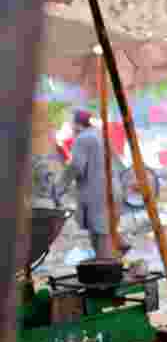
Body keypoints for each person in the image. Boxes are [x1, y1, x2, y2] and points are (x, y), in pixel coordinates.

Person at [67, 109, 121, 259]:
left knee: (100, 235)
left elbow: (76, 167)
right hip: (112, 189)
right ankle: (116, 252)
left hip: (97, 194)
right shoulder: (100, 135)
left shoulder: (83, 138)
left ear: (77, 124)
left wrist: (59, 187)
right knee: (105, 231)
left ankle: (105, 268)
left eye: (72, 123)